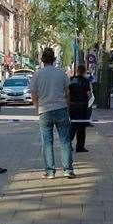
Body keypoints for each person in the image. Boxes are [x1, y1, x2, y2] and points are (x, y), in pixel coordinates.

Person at [30, 47, 75, 179]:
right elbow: (67, 92)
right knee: (65, 141)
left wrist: (37, 107)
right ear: (54, 60)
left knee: (47, 142)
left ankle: (50, 171)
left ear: (42, 60)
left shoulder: (37, 74)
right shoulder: (61, 73)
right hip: (61, 109)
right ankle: (68, 170)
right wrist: (67, 106)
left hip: (44, 111)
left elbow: (33, 93)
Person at [69, 64, 92, 152]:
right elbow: (89, 94)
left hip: (72, 106)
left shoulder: (71, 80)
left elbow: (67, 92)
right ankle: (80, 147)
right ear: (84, 71)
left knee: (73, 126)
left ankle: (68, 144)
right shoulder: (85, 81)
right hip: (82, 106)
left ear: (77, 71)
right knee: (81, 127)